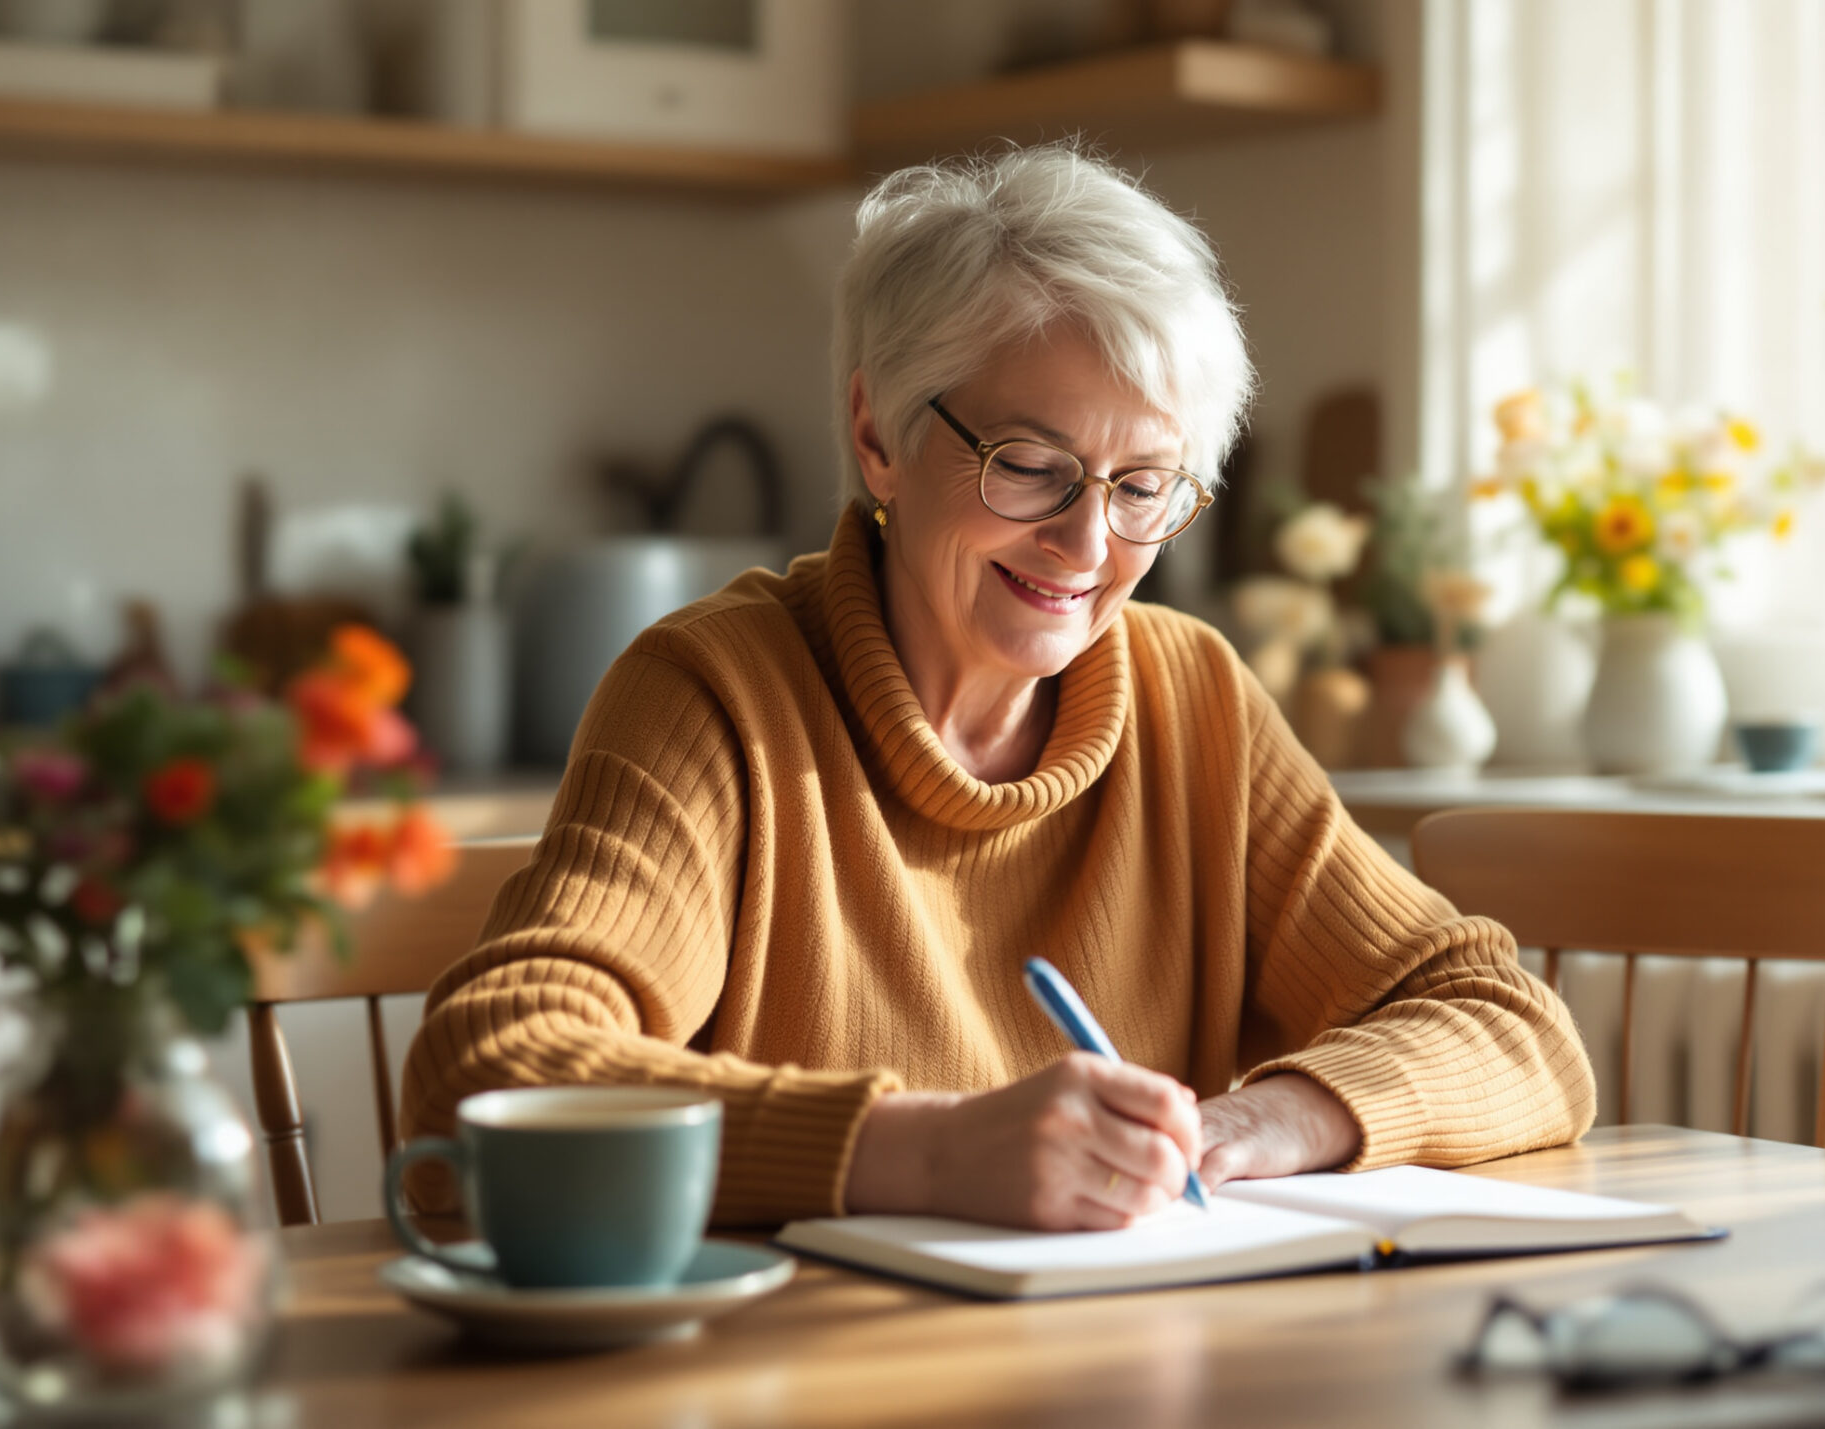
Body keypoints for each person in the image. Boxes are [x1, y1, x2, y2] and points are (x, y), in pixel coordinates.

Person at [399, 145, 1595, 1232]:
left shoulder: (1193, 703)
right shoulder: (717, 695)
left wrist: (1266, 1120)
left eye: (1143, 486)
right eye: (1030, 466)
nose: (1086, 546)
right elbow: (492, 1066)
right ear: (876, 432)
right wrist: (923, 1151)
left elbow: (1511, 1021)